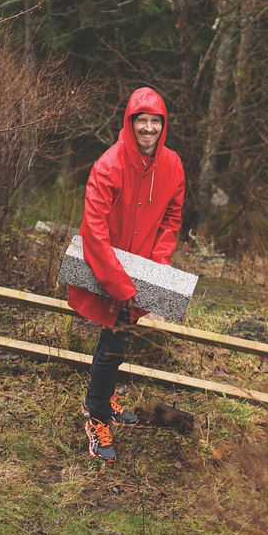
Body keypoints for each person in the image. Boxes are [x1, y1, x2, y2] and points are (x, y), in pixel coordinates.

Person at [67, 86, 185, 463]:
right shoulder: (108, 165)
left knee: (117, 338)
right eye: (142, 121)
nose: (148, 128)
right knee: (115, 341)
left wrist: (159, 264)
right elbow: (93, 230)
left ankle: (103, 397)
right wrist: (120, 285)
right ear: (130, 123)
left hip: (142, 270)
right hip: (110, 270)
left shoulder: (173, 166)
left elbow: (172, 217)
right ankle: (96, 415)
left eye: (155, 122)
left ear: (162, 125)